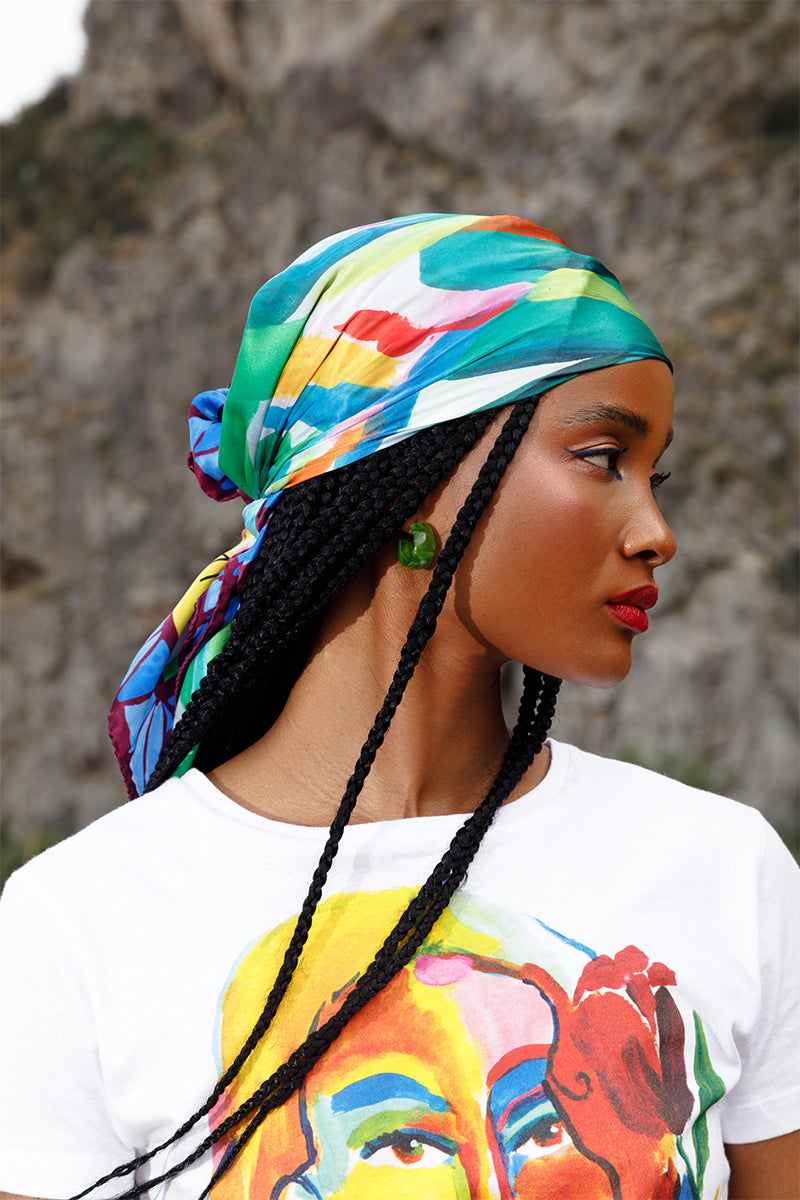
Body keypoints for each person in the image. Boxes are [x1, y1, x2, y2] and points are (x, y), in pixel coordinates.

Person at [0, 213, 797, 1200]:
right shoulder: (79, 921)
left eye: (653, 473)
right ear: (410, 475)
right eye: (602, 457)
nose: (655, 531)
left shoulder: (723, 871)